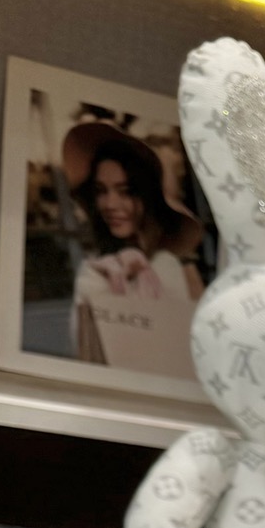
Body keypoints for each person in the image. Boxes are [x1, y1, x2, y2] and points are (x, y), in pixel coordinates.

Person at [61, 121, 205, 371]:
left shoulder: (171, 265)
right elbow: (83, 352)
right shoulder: (94, 271)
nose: (110, 204)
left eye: (125, 191)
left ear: (148, 197)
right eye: (101, 191)